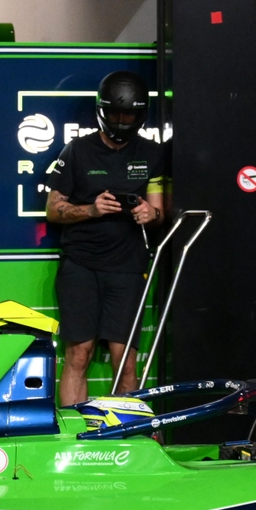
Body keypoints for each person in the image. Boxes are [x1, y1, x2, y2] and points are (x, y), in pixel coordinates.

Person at [44, 71, 168, 405]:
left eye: (129, 114)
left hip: (128, 268)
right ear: (103, 111)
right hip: (80, 266)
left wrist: (150, 214)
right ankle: (74, 437)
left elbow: (159, 211)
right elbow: (53, 210)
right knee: (78, 355)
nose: (122, 120)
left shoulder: (153, 154)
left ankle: (125, 438)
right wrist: (92, 210)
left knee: (125, 361)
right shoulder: (78, 151)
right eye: (116, 113)